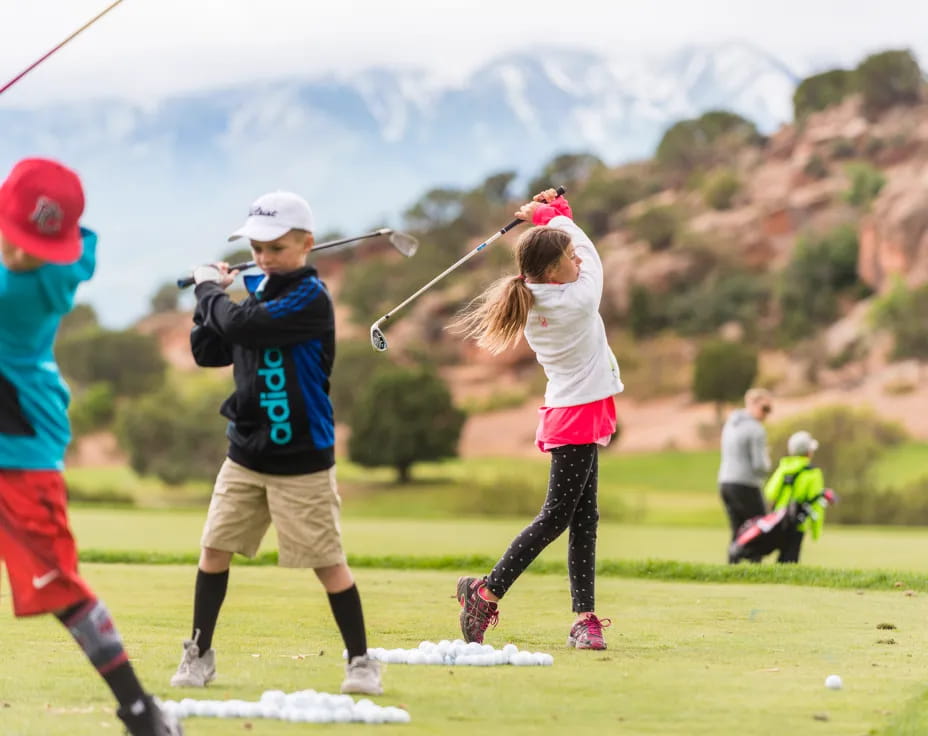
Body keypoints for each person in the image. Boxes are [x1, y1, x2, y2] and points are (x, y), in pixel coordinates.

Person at [169, 191, 382, 695]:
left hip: (302, 456)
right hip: (246, 452)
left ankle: (361, 662)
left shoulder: (310, 299)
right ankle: (198, 653)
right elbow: (208, 350)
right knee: (214, 550)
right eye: (257, 248)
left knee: (328, 563)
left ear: (306, 244)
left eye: (275, 248)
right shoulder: (258, 295)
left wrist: (207, 292)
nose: (264, 257)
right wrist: (212, 299)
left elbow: (248, 326)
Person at [0, 158, 182, 736]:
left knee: (62, 586)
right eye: (20, 239)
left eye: (36, 247)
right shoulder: (76, 256)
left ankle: (137, 709)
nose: (24, 255)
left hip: (20, 454)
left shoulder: (18, 292)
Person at [450, 188, 622, 650]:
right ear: (550, 272)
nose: (578, 262)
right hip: (576, 414)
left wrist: (553, 218)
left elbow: (573, 245)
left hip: (575, 409)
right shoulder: (578, 299)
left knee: (584, 518)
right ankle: (484, 594)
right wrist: (549, 215)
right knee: (555, 518)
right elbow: (588, 248)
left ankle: (584, 619)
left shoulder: (539, 295)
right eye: (568, 258)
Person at [718, 388, 773, 562]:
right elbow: (759, 465)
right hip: (745, 483)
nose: (766, 414)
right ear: (753, 404)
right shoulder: (756, 429)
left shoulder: (731, 423)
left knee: (737, 529)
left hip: (725, 482)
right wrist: (768, 461)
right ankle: (755, 569)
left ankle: (732, 566)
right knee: (759, 527)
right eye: (765, 409)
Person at [763, 430, 828, 563]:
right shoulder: (813, 473)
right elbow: (816, 503)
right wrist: (816, 530)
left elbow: (770, 492)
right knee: (790, 560)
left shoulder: (784, 467)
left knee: (779, 557)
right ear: (809, 452)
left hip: (778, 519)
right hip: (798, 522)